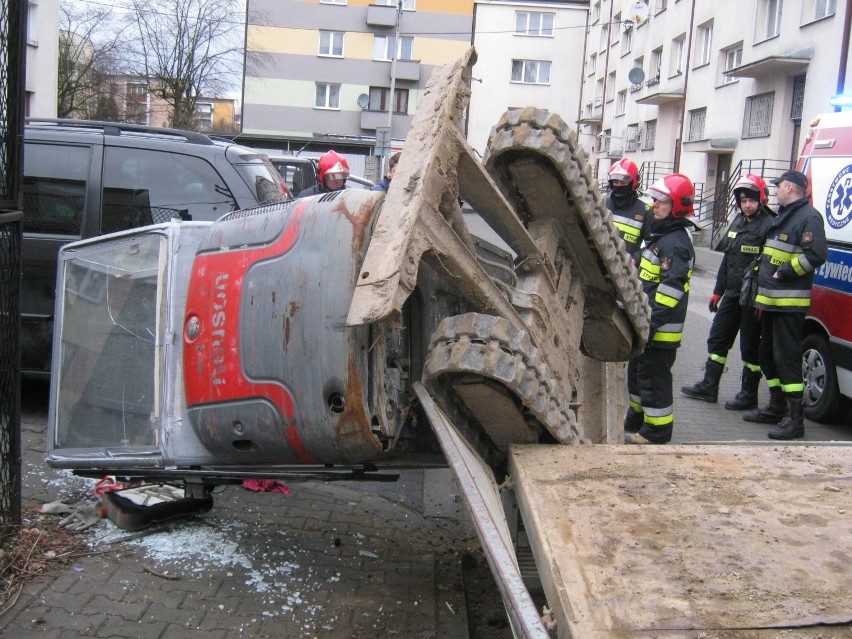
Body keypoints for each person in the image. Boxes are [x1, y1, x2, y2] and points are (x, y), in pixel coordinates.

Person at [744, 170, 827, 439]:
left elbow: (816, 255)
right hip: (770, 302)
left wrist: (785, 271)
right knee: (767, 357)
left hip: (788, 304)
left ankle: (795, 420)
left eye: (778, 186)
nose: (775, 191)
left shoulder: (808, 217)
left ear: (789, 188)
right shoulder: (786, 215)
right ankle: (776, 406)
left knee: (786, 360)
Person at [681, 174, 774, 410]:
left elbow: (770, 266)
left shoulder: (770, 226)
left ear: (761, 199)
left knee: (749, 347)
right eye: (743, 201)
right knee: (717, 338)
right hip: (732, 293)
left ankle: (748, 394)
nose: (747, 205)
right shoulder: (738, 222)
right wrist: (717, 291)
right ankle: (709, 386)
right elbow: (728, 260)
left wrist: (764, 300)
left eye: (751, 200)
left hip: (752, 298)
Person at [624, 173, 697, 444]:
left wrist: (651, 321)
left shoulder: (675, 243)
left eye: (662, 201)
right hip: (649, 323)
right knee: (640, 375)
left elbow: (671, 289)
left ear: (678, 205)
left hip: (660, 328)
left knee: (654, 380)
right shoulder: (662, 236)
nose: (655, 205)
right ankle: (638, 420)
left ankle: (656, 432)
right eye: (655, 200)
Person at [606, 157, 652, 263]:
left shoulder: (645, 211)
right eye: (616, 182)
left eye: (623, 183)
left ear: (633, 183)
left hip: (624, 271)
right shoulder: (604, 204)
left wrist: (636, 258)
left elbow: (653, 245)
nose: (619, 186)